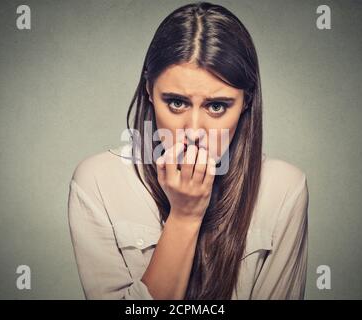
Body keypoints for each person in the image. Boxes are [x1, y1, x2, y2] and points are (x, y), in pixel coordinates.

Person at [67, 1, 309, 300]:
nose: (194, 130)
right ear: (148, 90)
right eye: (176, 102)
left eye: (217, 106)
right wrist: (184, 216)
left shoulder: (283, 188)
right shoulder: (97, 181)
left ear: (246, 101)